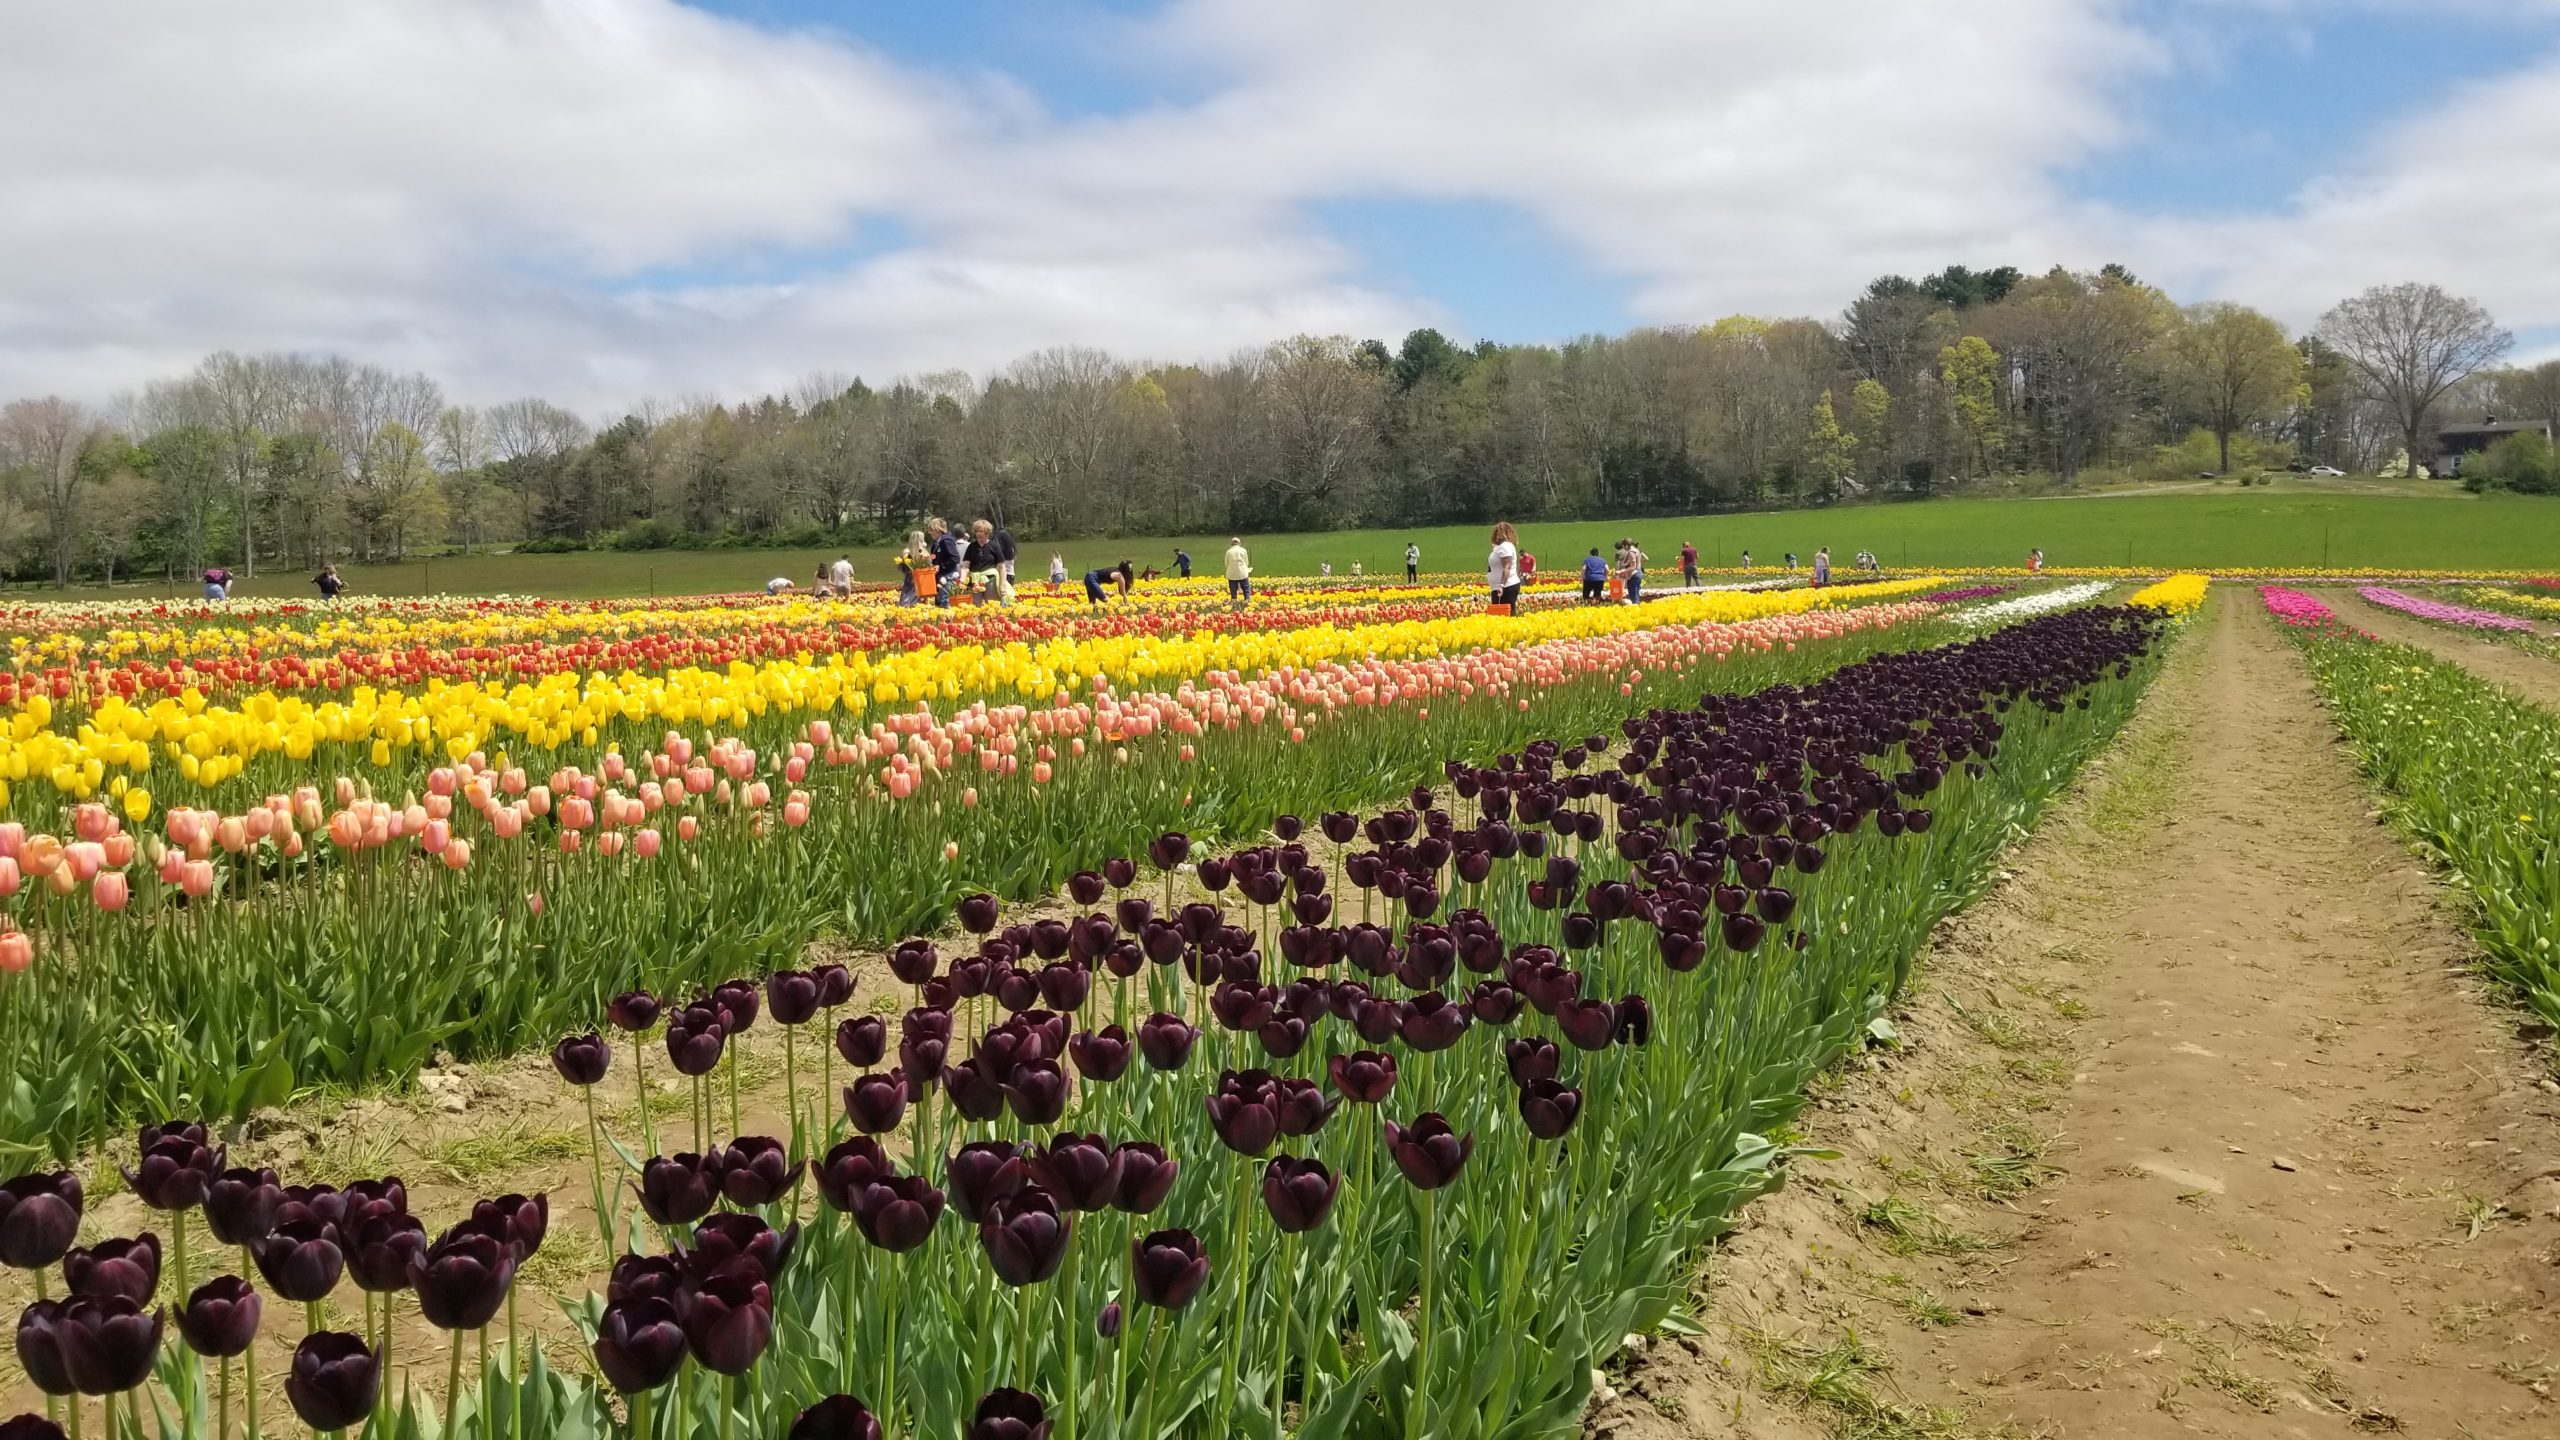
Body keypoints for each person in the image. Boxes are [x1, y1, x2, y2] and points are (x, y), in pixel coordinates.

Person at [927, 518, 966, 607]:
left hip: (948, 577)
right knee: (940, 602)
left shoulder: (946, 541)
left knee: (945, 602)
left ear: (938, 530)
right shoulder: (936, 543)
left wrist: (941, 566)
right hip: (940, 577)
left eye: (932, 530)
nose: (930, 533)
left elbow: (955, 558)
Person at [1487, 521, 1522, 609]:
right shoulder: (1502, 547)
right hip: (1500, 587)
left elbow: (1507, 566)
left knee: (1504, 615)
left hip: (1505, 587)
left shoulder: (1505, 546)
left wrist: (1501, 585)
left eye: (1499, 531)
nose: (1496, 534)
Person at [1224, 536, 1251, 607]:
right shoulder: (1243, 550)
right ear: (1239, 543)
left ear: (1231, 544)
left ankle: (1234, 600)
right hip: (1242, 572)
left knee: (1233, 587)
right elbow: (1246, 561)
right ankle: (1247, 599)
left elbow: (1226, 563)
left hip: (1232, 573)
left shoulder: (1228, 552)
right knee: (1246, 587)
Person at [1622, 538, 1648, 604]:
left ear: (1626, 545)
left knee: (1633, 593)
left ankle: (1635, 607)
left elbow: (1633, 567)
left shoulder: (1631, 552)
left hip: (1634, 574)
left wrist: (1622, 571)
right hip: (1638, 572)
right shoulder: (1637, 551)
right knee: (1636, 592)